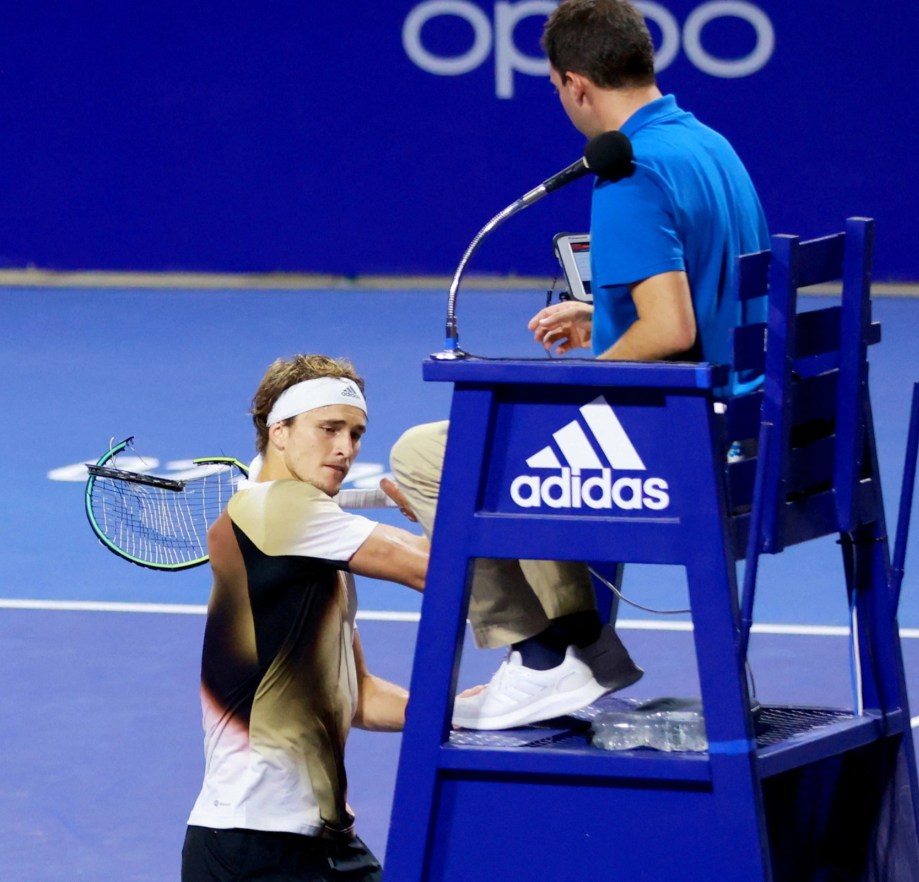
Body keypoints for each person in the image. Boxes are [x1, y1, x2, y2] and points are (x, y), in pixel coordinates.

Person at [390, 0, 769, 732]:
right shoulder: (711, 147)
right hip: (751, 433)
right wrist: (602, 319)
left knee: (432, 455)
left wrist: (572, 382)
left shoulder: (628, 169)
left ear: (574, 85)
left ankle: (544, 655)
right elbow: (708, 302)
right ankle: (581, 649)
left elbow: (669, 328)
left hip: (685, 452)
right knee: (524, 434)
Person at [181, 354, 429, 882]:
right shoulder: (279, 509)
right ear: (280, 432)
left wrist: (452, 712)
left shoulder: (306, 537)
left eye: (356, 434)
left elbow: (355, 694)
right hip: (253, 847)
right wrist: (439, 504)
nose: (346, 449)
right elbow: (433, 570)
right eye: (329, 429)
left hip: (326, 844)